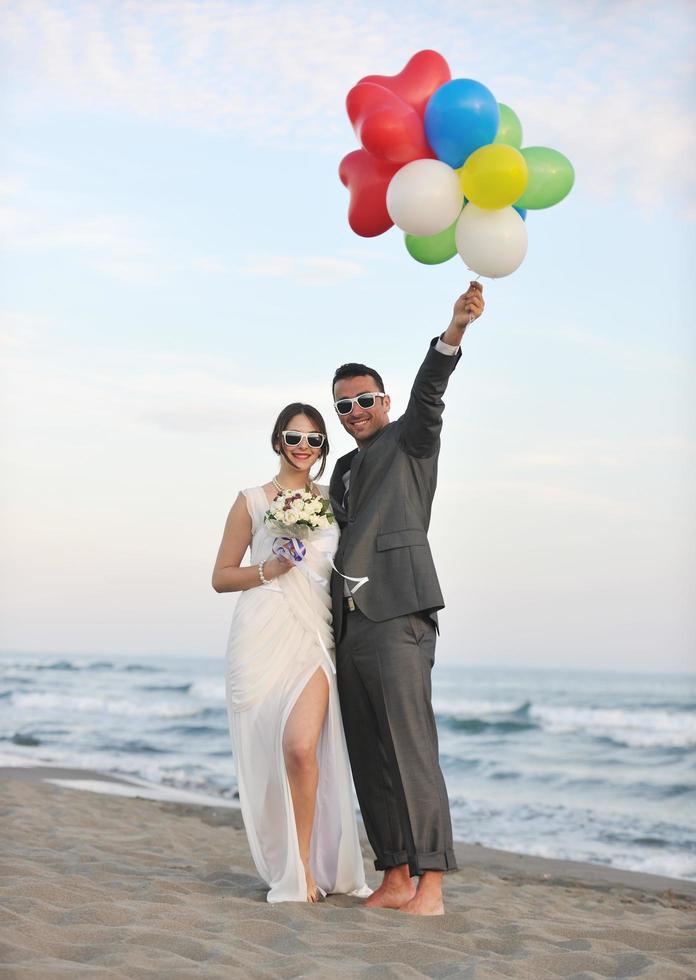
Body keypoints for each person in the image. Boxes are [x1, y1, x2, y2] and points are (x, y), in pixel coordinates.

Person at [329, 281, 485, 916]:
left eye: (364, 399)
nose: (355, 410)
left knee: (410, 747)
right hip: (349, 624)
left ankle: (432, 887)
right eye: (343, 405)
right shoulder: (340, 469)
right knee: (370, 752)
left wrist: (453, 333)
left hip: (400, 614)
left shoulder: (411, 440)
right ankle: (393, 876)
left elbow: (431, 395)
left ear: (384, 401)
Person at [212, 403, 370, 904]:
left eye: (315, 439)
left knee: (302, 748)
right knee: (267, 752)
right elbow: (221, 577)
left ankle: (308, 863)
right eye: (294, 437)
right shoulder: (252, 501)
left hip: (314, 635)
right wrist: (270, 568)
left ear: (324, 448)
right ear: (277, 440)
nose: (304, 446)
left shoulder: (333, 499)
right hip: (260, 632)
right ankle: (294, 871)